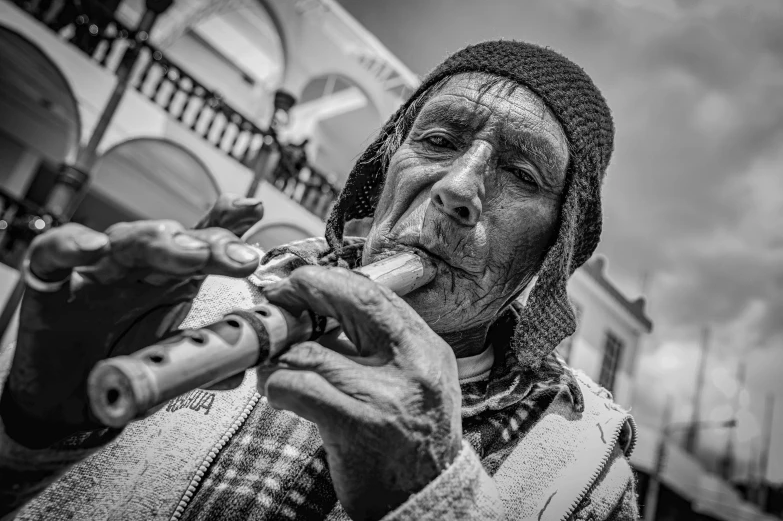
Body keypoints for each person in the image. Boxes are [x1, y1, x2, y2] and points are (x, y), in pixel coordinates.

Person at [0, 40, 639, 520]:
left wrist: (432, 496)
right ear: (387, 167)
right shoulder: (212, 302)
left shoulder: (585, 461)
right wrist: (33, 431)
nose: (457, 188)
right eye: (439, 140)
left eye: (524, 176)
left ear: (555, 246)